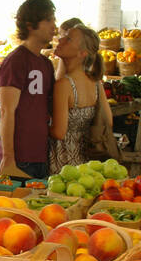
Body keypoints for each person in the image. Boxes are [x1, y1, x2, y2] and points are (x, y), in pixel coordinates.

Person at [0, 0, 57, 178]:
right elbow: (6, 111)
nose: (54, 26)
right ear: (30, 25)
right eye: (48, 19)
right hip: (17, 159)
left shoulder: (46, 63)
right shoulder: (16, 60)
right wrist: (8, 157)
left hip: (40, 157)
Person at [50, 21, 121, 173]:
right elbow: (108, 120)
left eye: (68, 39)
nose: (61, 40)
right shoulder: (95, 82)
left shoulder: (64, 85)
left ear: (82, 53)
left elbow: (59, 132)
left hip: (64, 164)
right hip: (87, 163)